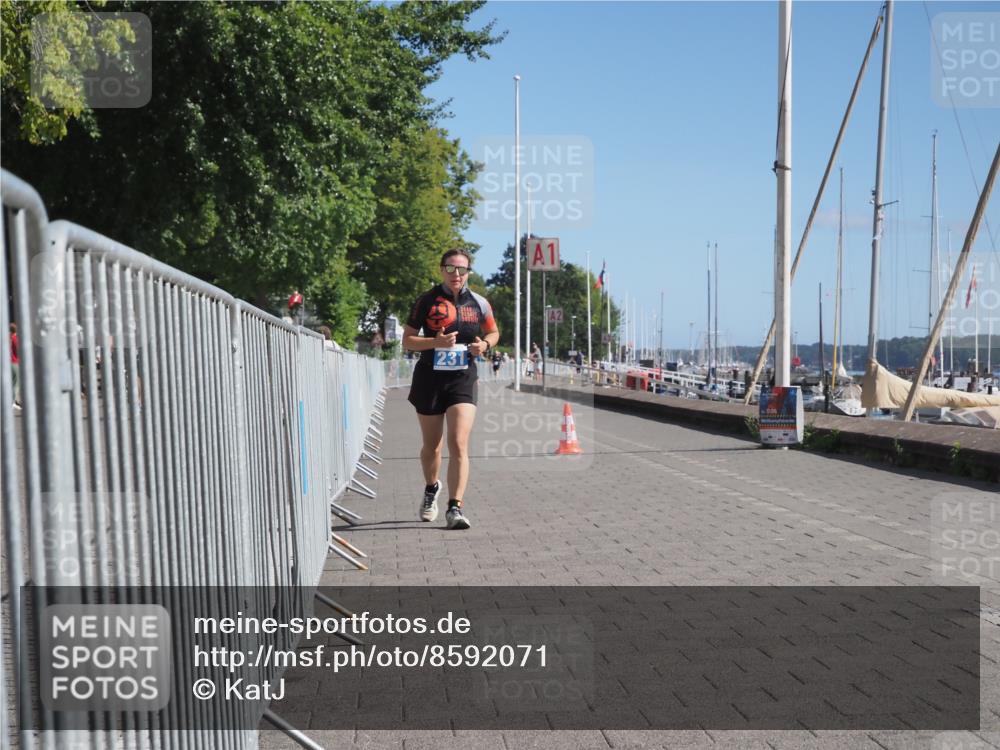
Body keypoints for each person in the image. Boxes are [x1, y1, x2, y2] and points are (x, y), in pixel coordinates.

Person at [403, 249, 500, 530]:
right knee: (432, 446)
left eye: (462, 269)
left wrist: (485, 345)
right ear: (441, 270)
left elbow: (493, 332)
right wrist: (436, 343)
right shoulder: (426, 300)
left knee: (458, 443)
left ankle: (454, 507)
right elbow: (408, 341)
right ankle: (431, 488)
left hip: (462, 377)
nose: (456, 274)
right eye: (450, 268)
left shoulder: (479, 302)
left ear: (469, 271)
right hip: (429, 378)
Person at [9, 323, 19, 412]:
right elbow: (18, 350)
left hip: (9, 362)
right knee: (16, 383)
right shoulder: (15, 338)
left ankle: (13, 400)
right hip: (15, 362)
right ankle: (12, 401)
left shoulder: (8, 338)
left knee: (12, 382)